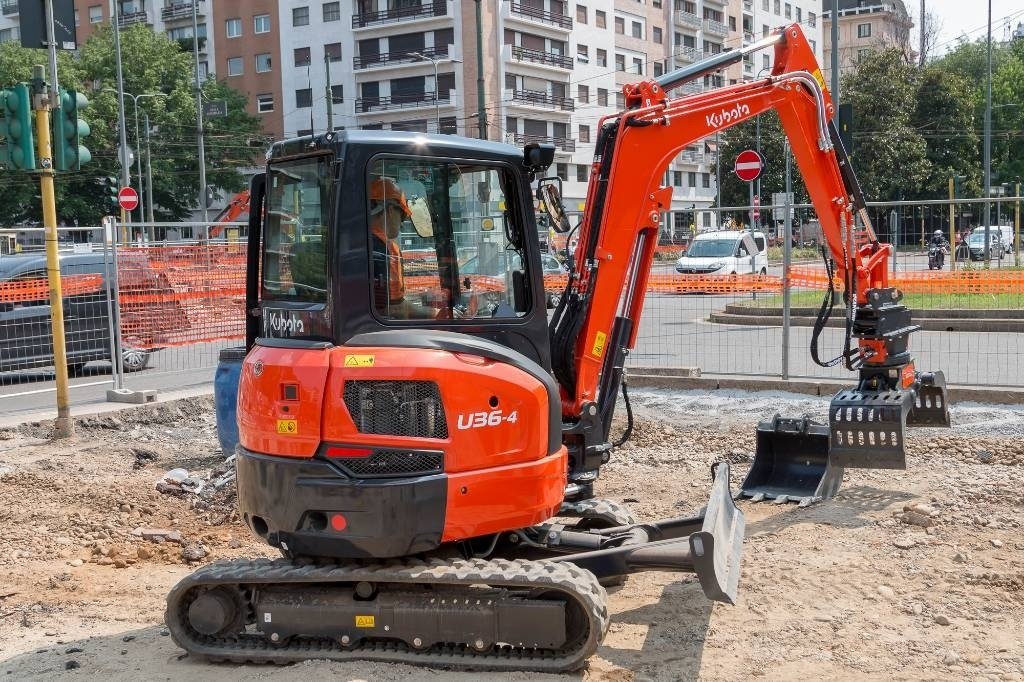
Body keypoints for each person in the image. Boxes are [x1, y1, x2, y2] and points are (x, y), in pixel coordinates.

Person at [369, 177, 435, 319]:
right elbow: (394, 309)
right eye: (403, 215)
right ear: (391, 210)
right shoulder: (386, 250)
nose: (402, 223)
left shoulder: (357, 240)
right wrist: (436, 314)